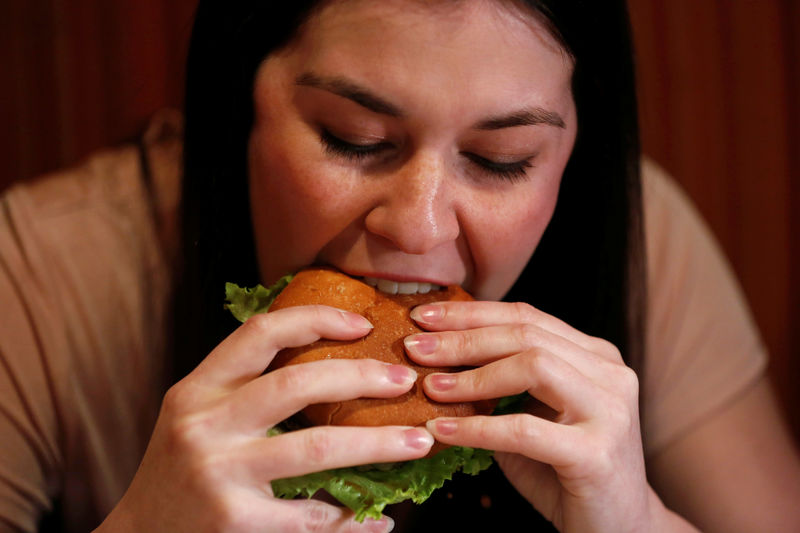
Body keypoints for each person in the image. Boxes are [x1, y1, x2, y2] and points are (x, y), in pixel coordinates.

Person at [1, 0, 799, 531]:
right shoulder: (37, 272)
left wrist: (643, 524)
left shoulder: (639, 238)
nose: (417, 229)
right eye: (354, 139)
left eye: (501, 158)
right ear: (236, 105)